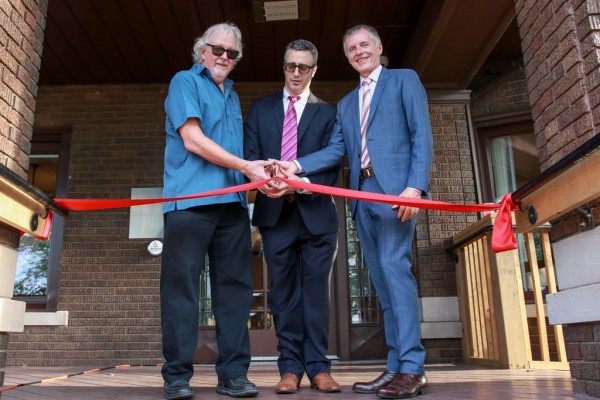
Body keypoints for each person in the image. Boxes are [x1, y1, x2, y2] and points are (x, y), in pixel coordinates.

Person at [276, 24, 433, 399]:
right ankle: (395, 366)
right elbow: (334, 152)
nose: (359, 52)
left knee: (397, 273)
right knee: (382, 282)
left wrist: (416, 187)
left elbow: (421, 134)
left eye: (364, 45)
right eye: (351, 48)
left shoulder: (403, 80)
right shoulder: (346, 104)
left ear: (378, 47)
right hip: (362, 196)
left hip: (397, 192)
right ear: (346, 56)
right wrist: (293, 166)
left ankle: (412, 369)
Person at [160, 22, 269, 400]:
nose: (224, 57)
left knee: (236, 294)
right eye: (217, 49)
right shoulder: (184, 82)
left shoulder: (234, 96)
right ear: (202, 50)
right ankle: (176, 378)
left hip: (233, 207)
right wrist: (247, 167)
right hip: (189, 204)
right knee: (181, 293)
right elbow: (193, 139)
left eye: (232, 53)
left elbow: (239, 155)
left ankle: (234, 376)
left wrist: (263, 170)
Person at [244, 39, 341, 394]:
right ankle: (289, 369)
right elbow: (250, 157)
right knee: (283, 297)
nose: (295, 73)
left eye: (303, 67)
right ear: (283, 67)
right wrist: (267, 182)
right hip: (274, 214)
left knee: (315, 295)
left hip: (316, 215)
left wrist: (299, 184)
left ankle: (318, 367)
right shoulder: (260, 109)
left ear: (314, 70)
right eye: (290, 66)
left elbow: (333, 166)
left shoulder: (329, 114)